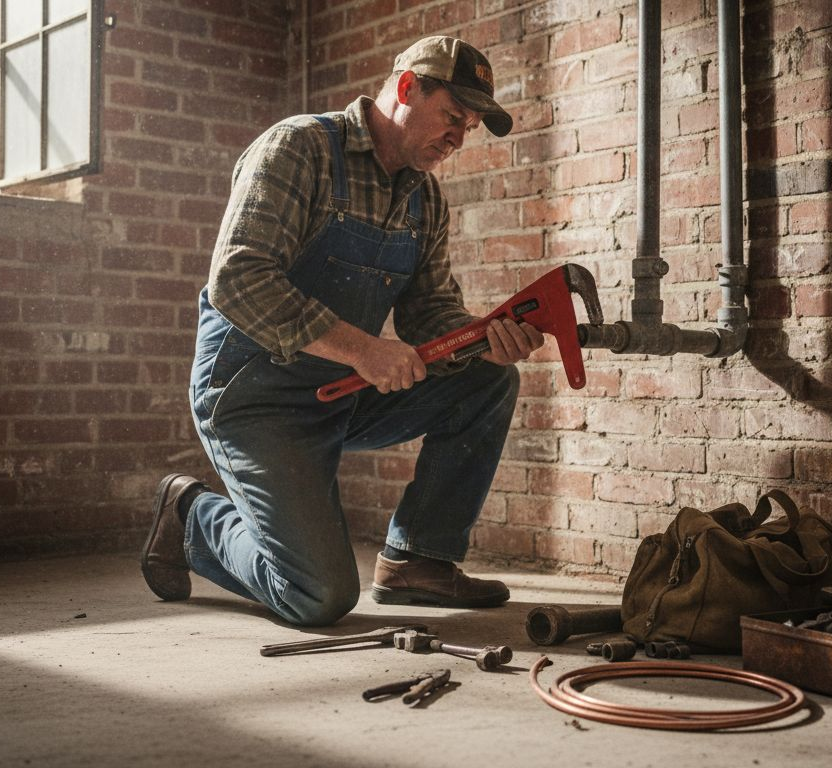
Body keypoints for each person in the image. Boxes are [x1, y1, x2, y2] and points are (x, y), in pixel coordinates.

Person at [140, 36, 545, 627]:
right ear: (407, 88)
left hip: (342, 394)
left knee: (488, 378)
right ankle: (193, 517)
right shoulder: (299, 147)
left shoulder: (424, 198)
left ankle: (418, 562)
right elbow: (238, 278)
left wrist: (482, 337)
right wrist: (363, 349)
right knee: (318, 595)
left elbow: (430, 312)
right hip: (254, 398)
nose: (460, 137)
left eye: (473, 125)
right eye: (453, 116)